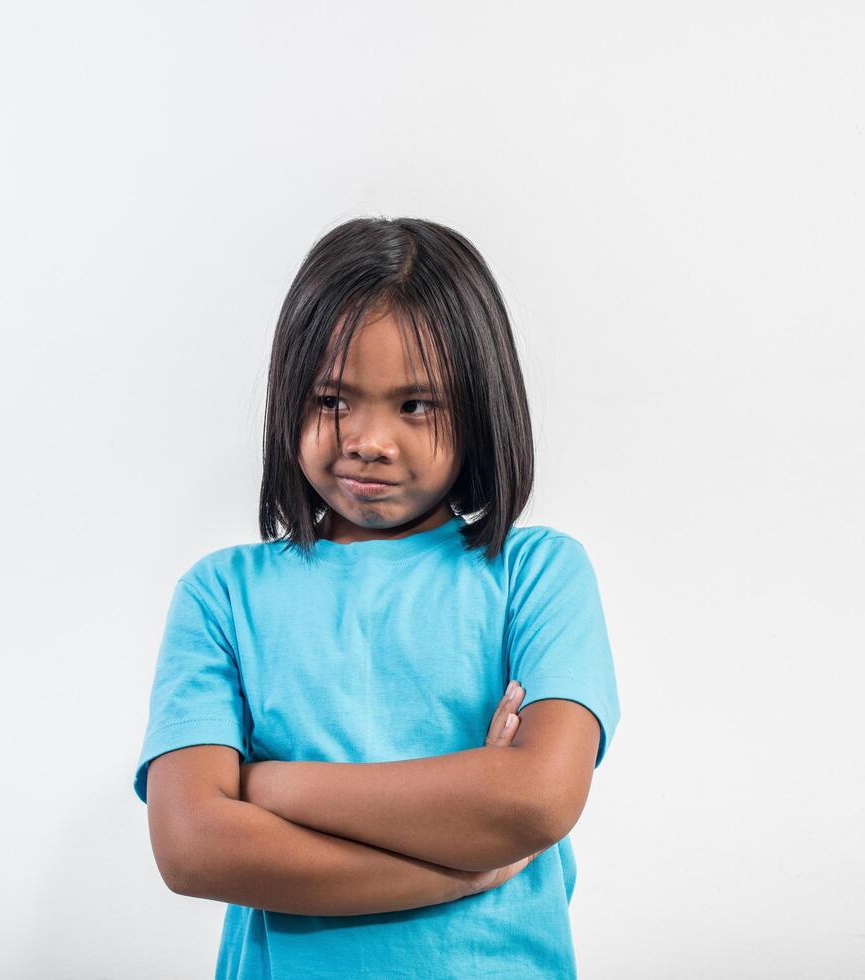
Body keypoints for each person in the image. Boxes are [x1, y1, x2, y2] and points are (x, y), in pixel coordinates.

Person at [133, 216, 622, 979]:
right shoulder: (222, 595)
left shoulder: (536, 574)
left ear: (479, 406)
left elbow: (533, 801)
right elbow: (192, 847)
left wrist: (268, 785)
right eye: (332, 400)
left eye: (414, 405)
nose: (367, 439)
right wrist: (458, 864)